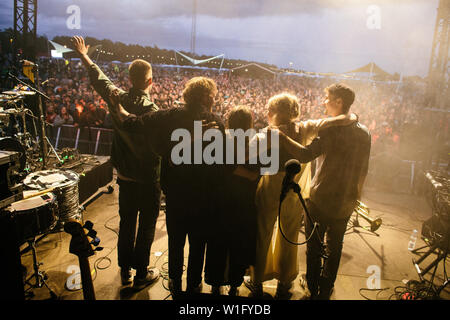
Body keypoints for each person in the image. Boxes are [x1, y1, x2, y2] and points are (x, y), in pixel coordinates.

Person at [109, 76, 225, 298]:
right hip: (203, 199)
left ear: (187, 95)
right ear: (209, 97)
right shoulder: (216, 124)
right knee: (198, 244)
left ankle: (174, 281)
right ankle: (194, 284)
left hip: (176, 196)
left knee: (176, 241)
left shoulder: (170, 116)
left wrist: (117, 106)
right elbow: (219, 168)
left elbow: (131, 122)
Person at [71, 36, 161, 291]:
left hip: (124, 177)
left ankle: (125, 272)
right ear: (150, 81)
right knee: (145, 228)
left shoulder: (117, 97)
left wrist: (84, 55)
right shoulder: (152, 109)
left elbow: (99, 78)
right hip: (148, 180)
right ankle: (142, 273)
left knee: (126, 225)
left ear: (130, 79)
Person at [245, 92, 357, 299]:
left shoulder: (267, 134)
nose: (267, 113)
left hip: (269, 191)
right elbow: (335, 120)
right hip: (294, 194)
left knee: (262, 236)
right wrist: (354, 116)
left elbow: (244, 155)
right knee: (288, 238)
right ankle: (284, 282)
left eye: (271, 110)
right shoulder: (305, 129)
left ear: (276, 113)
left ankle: (257, 281)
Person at [275, 84, 371, 300]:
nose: (323, 102)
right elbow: (364, 168)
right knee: (336, 245)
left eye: (327, 98)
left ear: (339, 102)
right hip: (347, 199)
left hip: (322, 198)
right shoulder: (365, 132)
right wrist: (357, 194)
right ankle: (326, 289)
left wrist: (282, 137)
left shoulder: (331, 129)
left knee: (314, 245)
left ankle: (312, 286)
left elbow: (306, 154)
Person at [203, 105, 261, 296]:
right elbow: (256, 174)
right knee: (238, 243)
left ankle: (214, 284)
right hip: (243, 202)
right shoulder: (255, 141)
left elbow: (214, 167)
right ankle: (235, 285)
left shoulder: (220, 139)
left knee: (217, 243)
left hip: (219, 199)